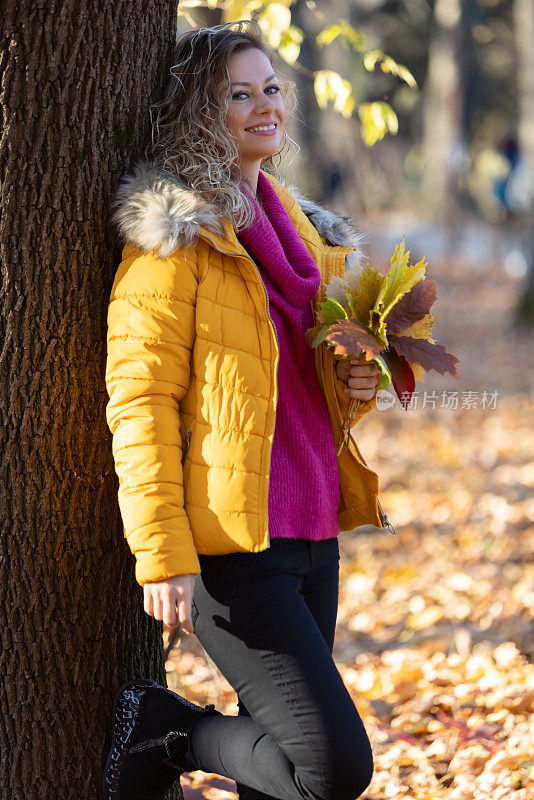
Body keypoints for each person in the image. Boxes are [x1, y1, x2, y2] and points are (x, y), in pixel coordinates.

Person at [102, 19, 386, 800]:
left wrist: (354, 387)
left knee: (287, 775)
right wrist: (161, 554)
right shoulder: (175, 241)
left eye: (271, 88)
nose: (266, 105)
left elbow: (297, 397)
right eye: (239, 93)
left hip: (311, 528)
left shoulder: (307, 241)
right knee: (333, 768)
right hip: (233, 544)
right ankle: (168, 729)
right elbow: (141, 401)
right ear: (202, 110)